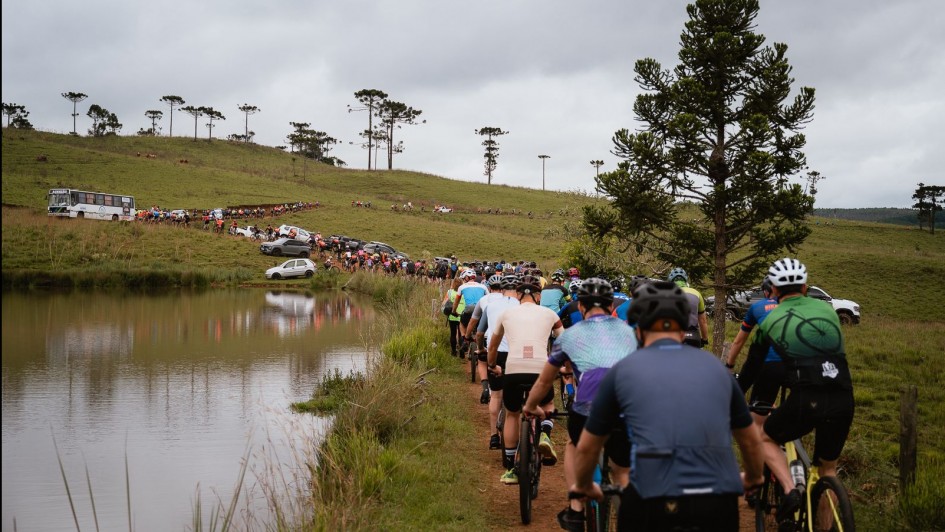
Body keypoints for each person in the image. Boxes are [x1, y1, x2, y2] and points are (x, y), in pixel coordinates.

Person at [569, 280, 765, 531]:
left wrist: (584, 485)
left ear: (638, 331)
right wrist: (753, 477)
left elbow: (587, 447)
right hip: (717, 500)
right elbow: (749, 439)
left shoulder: (622, 372)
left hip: (651, 498)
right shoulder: (716, 369)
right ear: (683, 329)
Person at [522, 278, 637, 531]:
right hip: (625, 408)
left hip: (588, 409)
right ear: (611, 306)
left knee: (574, 444)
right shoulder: (630, 332)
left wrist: (531, 406)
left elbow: (544, 382)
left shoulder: (571, 335)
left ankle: (575, 508)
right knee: (622, 471)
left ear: (581, 306)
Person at [752, 258, 854, 527]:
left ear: (772, 289)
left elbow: (754, 369)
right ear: (806, 286)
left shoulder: (769, 319)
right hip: (844, 396)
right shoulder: (829, 311)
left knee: (765, 437)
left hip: (807, 397)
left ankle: (789, 491)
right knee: (827, 470)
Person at [487, 275, 564, 484]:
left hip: (513, 369)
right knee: (547, 402)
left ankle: (511, 467)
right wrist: (562, 367)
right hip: (541, 369)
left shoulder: (506, 314)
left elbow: (492, 346)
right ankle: (545, 434)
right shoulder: (550, 314)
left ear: (518, 296)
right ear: (539, 295)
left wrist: (493, 365)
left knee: (512, 414)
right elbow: (564, 341)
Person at [470, 274, 521, 448]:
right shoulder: (523, 305)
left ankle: (493, 437)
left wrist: (482, 349)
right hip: (517, 354)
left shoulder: (490, 306)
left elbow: (479, 333)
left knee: (496, 394)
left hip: (496, 351)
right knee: (518, 395)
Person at [667, 267, 710, 348]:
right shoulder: (696, 293)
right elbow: (703, 321)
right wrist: (704, 339)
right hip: (693, 337)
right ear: (685, 280)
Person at [443, 277, 466, 357]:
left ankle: (453, 352)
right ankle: (462, 353)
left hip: (452, 315)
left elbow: (444, 303)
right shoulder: (464, 292)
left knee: (453, 333)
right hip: (462, 315)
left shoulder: (449, 292)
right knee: (462, 334)